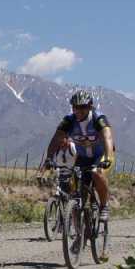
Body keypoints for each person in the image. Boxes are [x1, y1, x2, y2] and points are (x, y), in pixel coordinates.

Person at [40, 90, 116, 221]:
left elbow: (108, 138)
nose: (78, 110)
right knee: (76, 196)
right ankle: (78, 234)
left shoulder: (99, 119)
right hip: (82, 158)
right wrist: (49, 158)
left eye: (83, 107)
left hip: (101, 155)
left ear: (90, 106)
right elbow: (55, 139)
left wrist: (108, 158)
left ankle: (104, 206)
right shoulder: (69, 120)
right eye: (75, 107)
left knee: (97, 173)